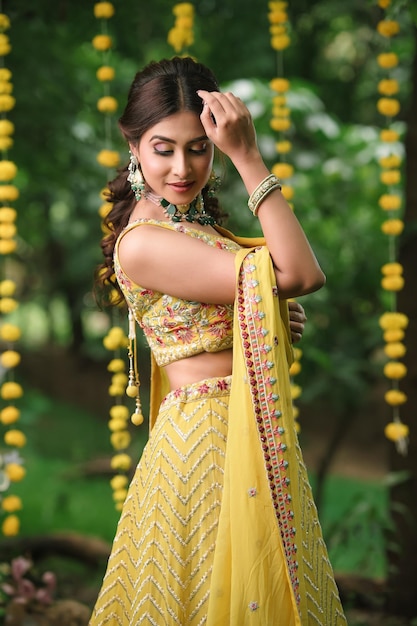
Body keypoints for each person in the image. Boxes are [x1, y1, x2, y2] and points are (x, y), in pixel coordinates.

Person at [90, 56, 346, 626]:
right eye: (163, 148)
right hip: (205, 445)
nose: (182, 167)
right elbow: (300, 273)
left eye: (199, 148)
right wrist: (248, 156)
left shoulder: (193, 223)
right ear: (132, 145)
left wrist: (269, 315)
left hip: (246, 429)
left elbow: (269, 285)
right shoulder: (143, 242)